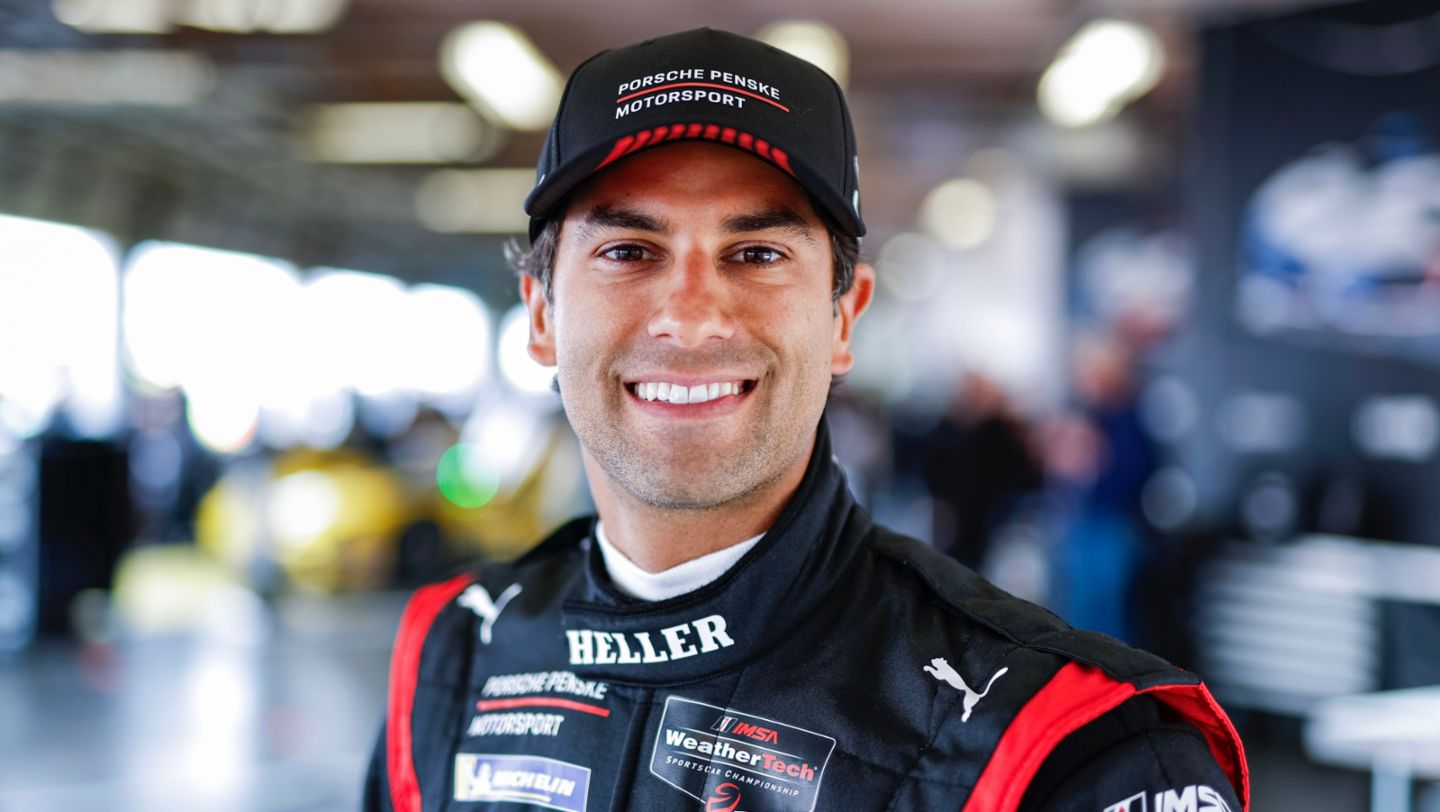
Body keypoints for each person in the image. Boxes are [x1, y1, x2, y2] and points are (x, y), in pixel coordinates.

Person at [364, 28, 1248, 812]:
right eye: (629, 251)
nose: (692, 317)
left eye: (756, 254)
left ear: (843, 320)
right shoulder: (450, 655)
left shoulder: (1073, 749)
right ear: (544, 316)